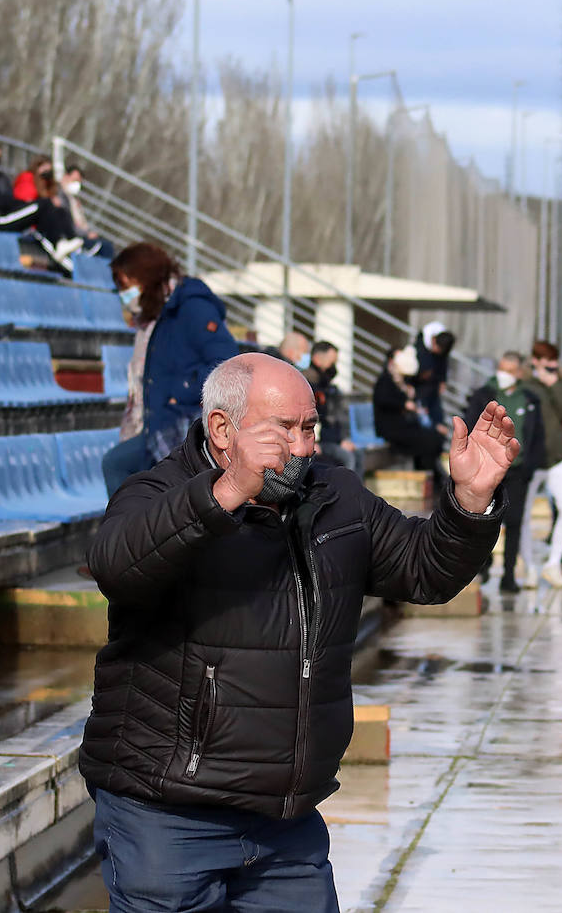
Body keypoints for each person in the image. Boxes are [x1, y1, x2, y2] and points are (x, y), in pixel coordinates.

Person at [82, 352, 518, 912]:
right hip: (168, 817)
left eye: (310, 426)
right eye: (283, 429)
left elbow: (424, 570)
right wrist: (228, 492)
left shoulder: (335, 497)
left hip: (285, 825)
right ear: (222, 429)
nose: (304, 446)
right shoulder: (156, 491)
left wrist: (470, 502)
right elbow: (117, 565)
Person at [113, 242, 238, 465]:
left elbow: (224, 360)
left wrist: (181, 392)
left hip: (182, 420)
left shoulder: (192, 306)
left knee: (118, 465)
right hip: (159, 421)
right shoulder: (155, 315)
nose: (124, 295)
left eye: (128, 287)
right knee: (122, 466)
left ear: (146, 279)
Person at [464, 351, 545, 593]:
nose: (504, 374)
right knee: (486, 520)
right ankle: (484, 562)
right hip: (488, 470)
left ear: (519, 373)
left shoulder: (529, 399)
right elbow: (470, 427)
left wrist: (531, 465)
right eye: (501, 368)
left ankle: (509, 575)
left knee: (515, 521)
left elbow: (537, 435)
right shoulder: (483, 395)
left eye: (509, 370)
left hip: (518, 471)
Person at [519, 340, 562, 589]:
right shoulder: (524, 386)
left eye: (555, 362)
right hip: (530, 461)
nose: (551, 367)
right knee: (522, 515)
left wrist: (553, 385)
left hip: (557, 459)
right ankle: (529, 567)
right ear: (535, 361)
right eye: (547, 362)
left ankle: (553, 563)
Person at [0, 142, 81, 260]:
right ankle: (59, 243)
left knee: (54, 209)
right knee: (43, 204)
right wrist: (25, 205)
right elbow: (0, 202)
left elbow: (9, 200)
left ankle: (66, 243)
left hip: (8, 215)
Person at [100, 276, 160, 495]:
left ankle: (123, 527)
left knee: (114, 463)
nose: (125, 296)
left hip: (166, 424)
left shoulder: (160, 325)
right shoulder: (143, 327)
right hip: (149, 423)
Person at [373, 344, 445, 477]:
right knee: (428, 440)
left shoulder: (402, 381)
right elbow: (382, 399)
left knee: (434, 437)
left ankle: (430, 473)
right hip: (391, 428)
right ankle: (432, 474)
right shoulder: (385, 380)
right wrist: (404, 404)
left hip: (403, 425)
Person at [303, 341, 363, 477]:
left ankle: (358, 495)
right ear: (317, 359)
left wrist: (343, 439)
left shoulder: (328, 387)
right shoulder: (308, 384)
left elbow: (336, 417)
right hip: (320, 440)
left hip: (331, 438)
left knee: (358, 454)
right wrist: (314, 442)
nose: (333, 368)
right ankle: (347, 494)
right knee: (347, 457)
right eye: (331, 363)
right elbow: (313, 419)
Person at [59, 165, 113, 258]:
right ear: (66, 177)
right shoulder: (61, 196)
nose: (76, 184)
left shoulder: (74, 200)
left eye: (79, 182)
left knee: (107, 245)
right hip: (74, 236)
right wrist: (87, 234)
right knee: (106, 247)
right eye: (74, 180)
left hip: (81, 234)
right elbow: (68, 222)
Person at [414, 320, 456, 428]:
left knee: (436, 416)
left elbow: (443, 363)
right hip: (419, 388)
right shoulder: (420, 346)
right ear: (433, 340)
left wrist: (442, 380)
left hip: (433, 388)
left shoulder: (442, 349)